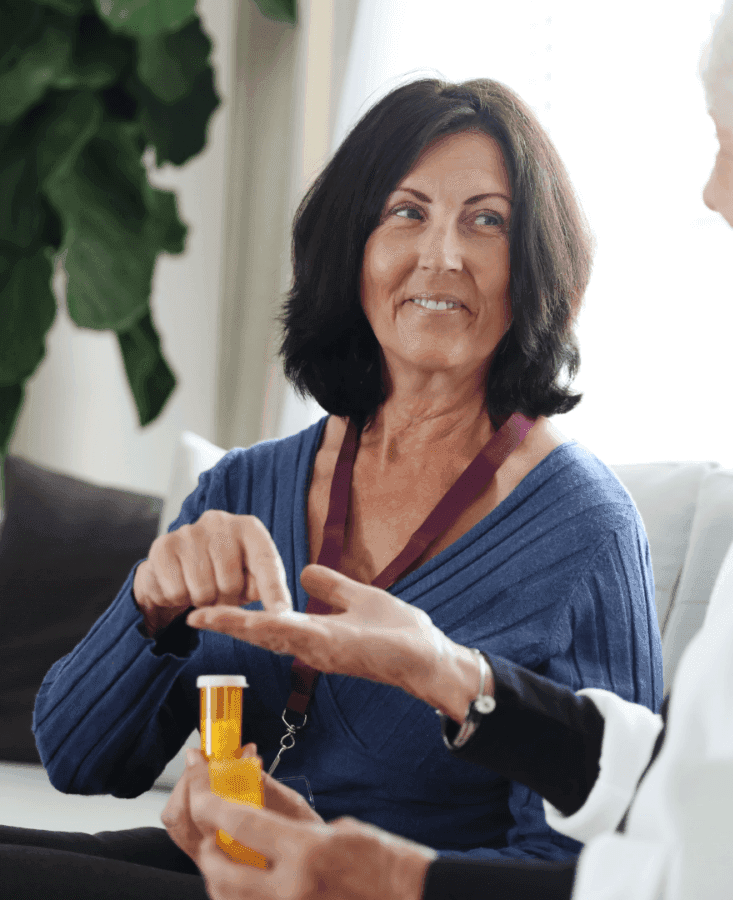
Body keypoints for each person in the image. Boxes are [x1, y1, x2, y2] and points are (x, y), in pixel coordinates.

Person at [177, 0, 733, 898]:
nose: (712, 192)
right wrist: (454, 677)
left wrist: (401, 883)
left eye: (728, 141)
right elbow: (698, 783)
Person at [1, 79, 664, 898]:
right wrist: (149, 606)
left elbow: (591, 873)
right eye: (406, 212)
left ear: (533, 265)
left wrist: (356, 870)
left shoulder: (585, 532)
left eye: (486, 221)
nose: (442, 255)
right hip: (225, 871)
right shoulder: (246, 485)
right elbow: (77, 760)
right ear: (352, 249)